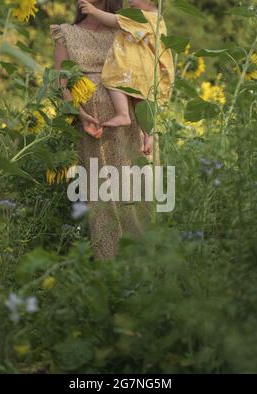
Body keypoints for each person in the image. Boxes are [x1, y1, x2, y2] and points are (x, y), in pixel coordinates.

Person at [50, 0, 152, 260]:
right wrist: (78, 113)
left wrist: (150, 128)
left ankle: (144, 270)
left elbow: (144, 76)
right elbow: (63, 82)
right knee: (102, 197)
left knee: (136, 196)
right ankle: (110, 268)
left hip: (132, 127)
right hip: (94, 128)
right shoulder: (66, 33)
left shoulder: (125, 26)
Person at [78, 0, 174, 155]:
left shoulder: (143, 16)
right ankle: (149, 135)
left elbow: (115, 21)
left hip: (134, 68)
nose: (129, 1)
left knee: (113, 80)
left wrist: (93, 11)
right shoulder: (157, 18)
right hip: (147, 71)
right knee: (141, 102)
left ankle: (122, 114)